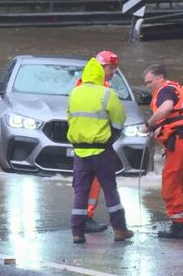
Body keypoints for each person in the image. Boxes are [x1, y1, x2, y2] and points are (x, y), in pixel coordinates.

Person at [67, 57, 134, 244]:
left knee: (80, 192)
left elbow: (69, 119)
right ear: (100, 73)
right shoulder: (107, 93)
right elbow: (119, 119)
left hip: (80, 152)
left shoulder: (74, 93)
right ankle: (120, 229)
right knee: (110, 190)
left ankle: (77, 232)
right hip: (102, 150)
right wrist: (112, 136)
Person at [141, 64, 183, 239]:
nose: (148, 86)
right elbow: (180, 116)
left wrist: (149, 124)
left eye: (150, 82)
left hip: (181, 143)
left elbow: (166, 108)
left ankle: (179, 227)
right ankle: (180, 223)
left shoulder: (165, 91)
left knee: (170, 185)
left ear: (160, 78)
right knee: (180, 185)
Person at [74, 50, 120, 233]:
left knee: (91, 183)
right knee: (90, 183)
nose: (113, 72)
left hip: (91, 140)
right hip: (93, 142)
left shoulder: (100, 86)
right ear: (101, 67)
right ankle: (85, 218)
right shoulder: (92, 87)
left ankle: (85, 217)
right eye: (111, 68)